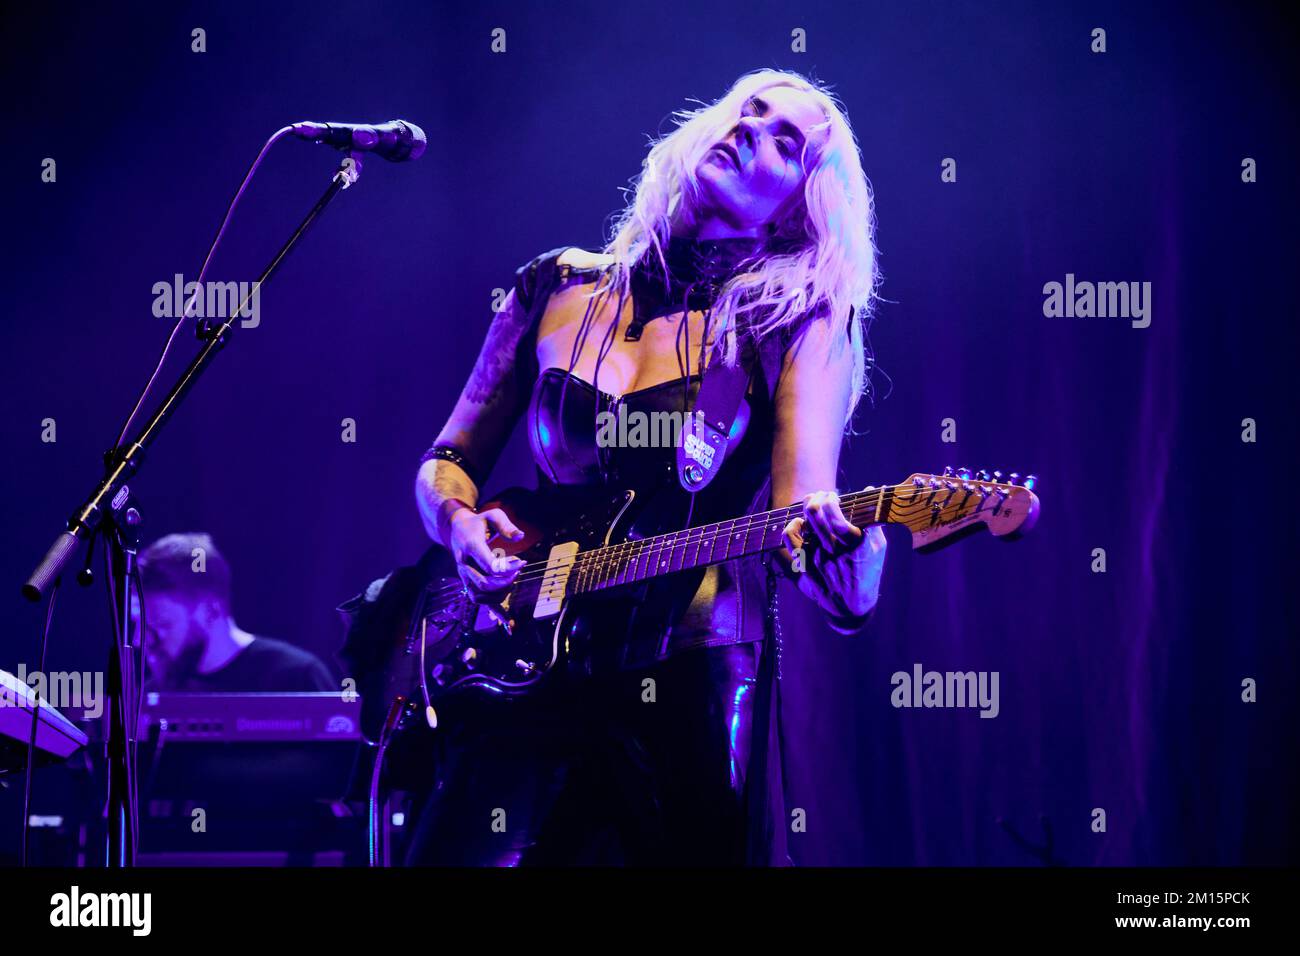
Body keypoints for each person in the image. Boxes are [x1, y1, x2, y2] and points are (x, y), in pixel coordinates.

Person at [408, 68, 887, 865]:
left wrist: (854, 559)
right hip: (520, 661)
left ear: (800, 209)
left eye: (784, 142)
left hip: (683, 675)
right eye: (748, 111)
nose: (747, 129)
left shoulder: (795, 317)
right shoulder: (557, 284)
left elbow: (806, 513)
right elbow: (447, 460)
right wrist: (459, 521)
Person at [135, 532, 335, 693]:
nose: (141, 641)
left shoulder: (297, 677)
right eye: (140, 626)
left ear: (211, 611)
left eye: (162, 624)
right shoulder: (151, 698)